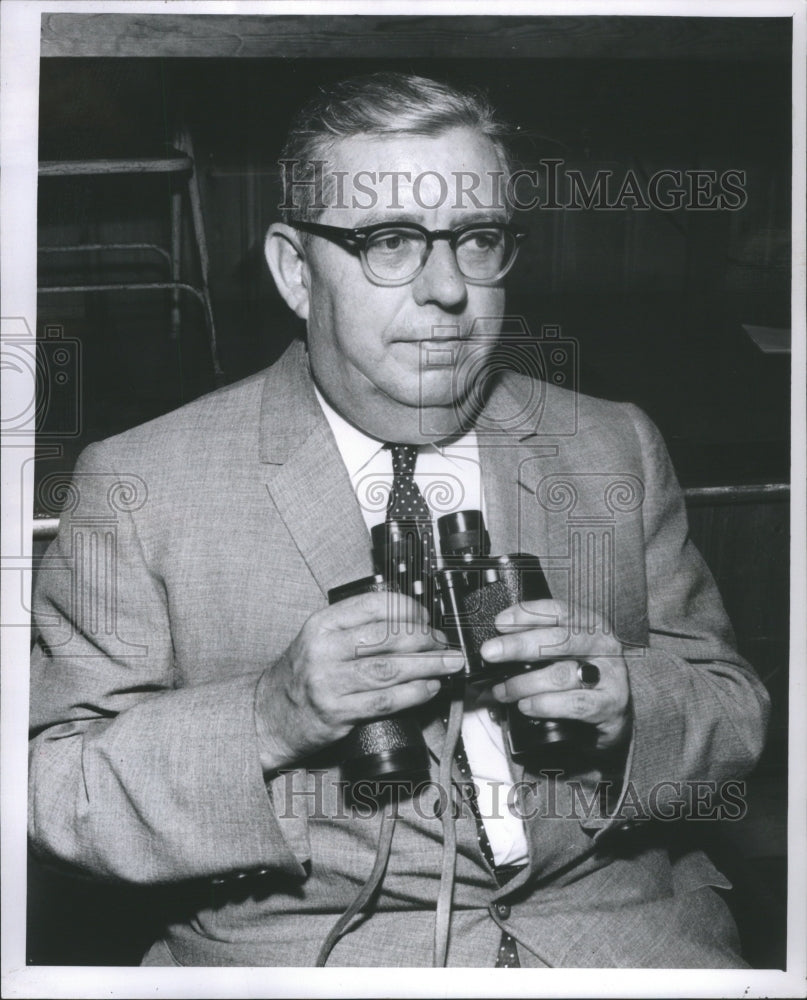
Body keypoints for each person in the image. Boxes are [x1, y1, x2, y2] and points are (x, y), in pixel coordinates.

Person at [28, 72, 769, 968]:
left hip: (621, 938)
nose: (447, 290)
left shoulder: (612, 445)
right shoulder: (140, 482)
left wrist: (629, 710)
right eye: (389, 243)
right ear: (295, 272)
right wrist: (265, 718)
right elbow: (53, 793)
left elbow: (733, 713)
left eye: (477, 240)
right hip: (311, 959)